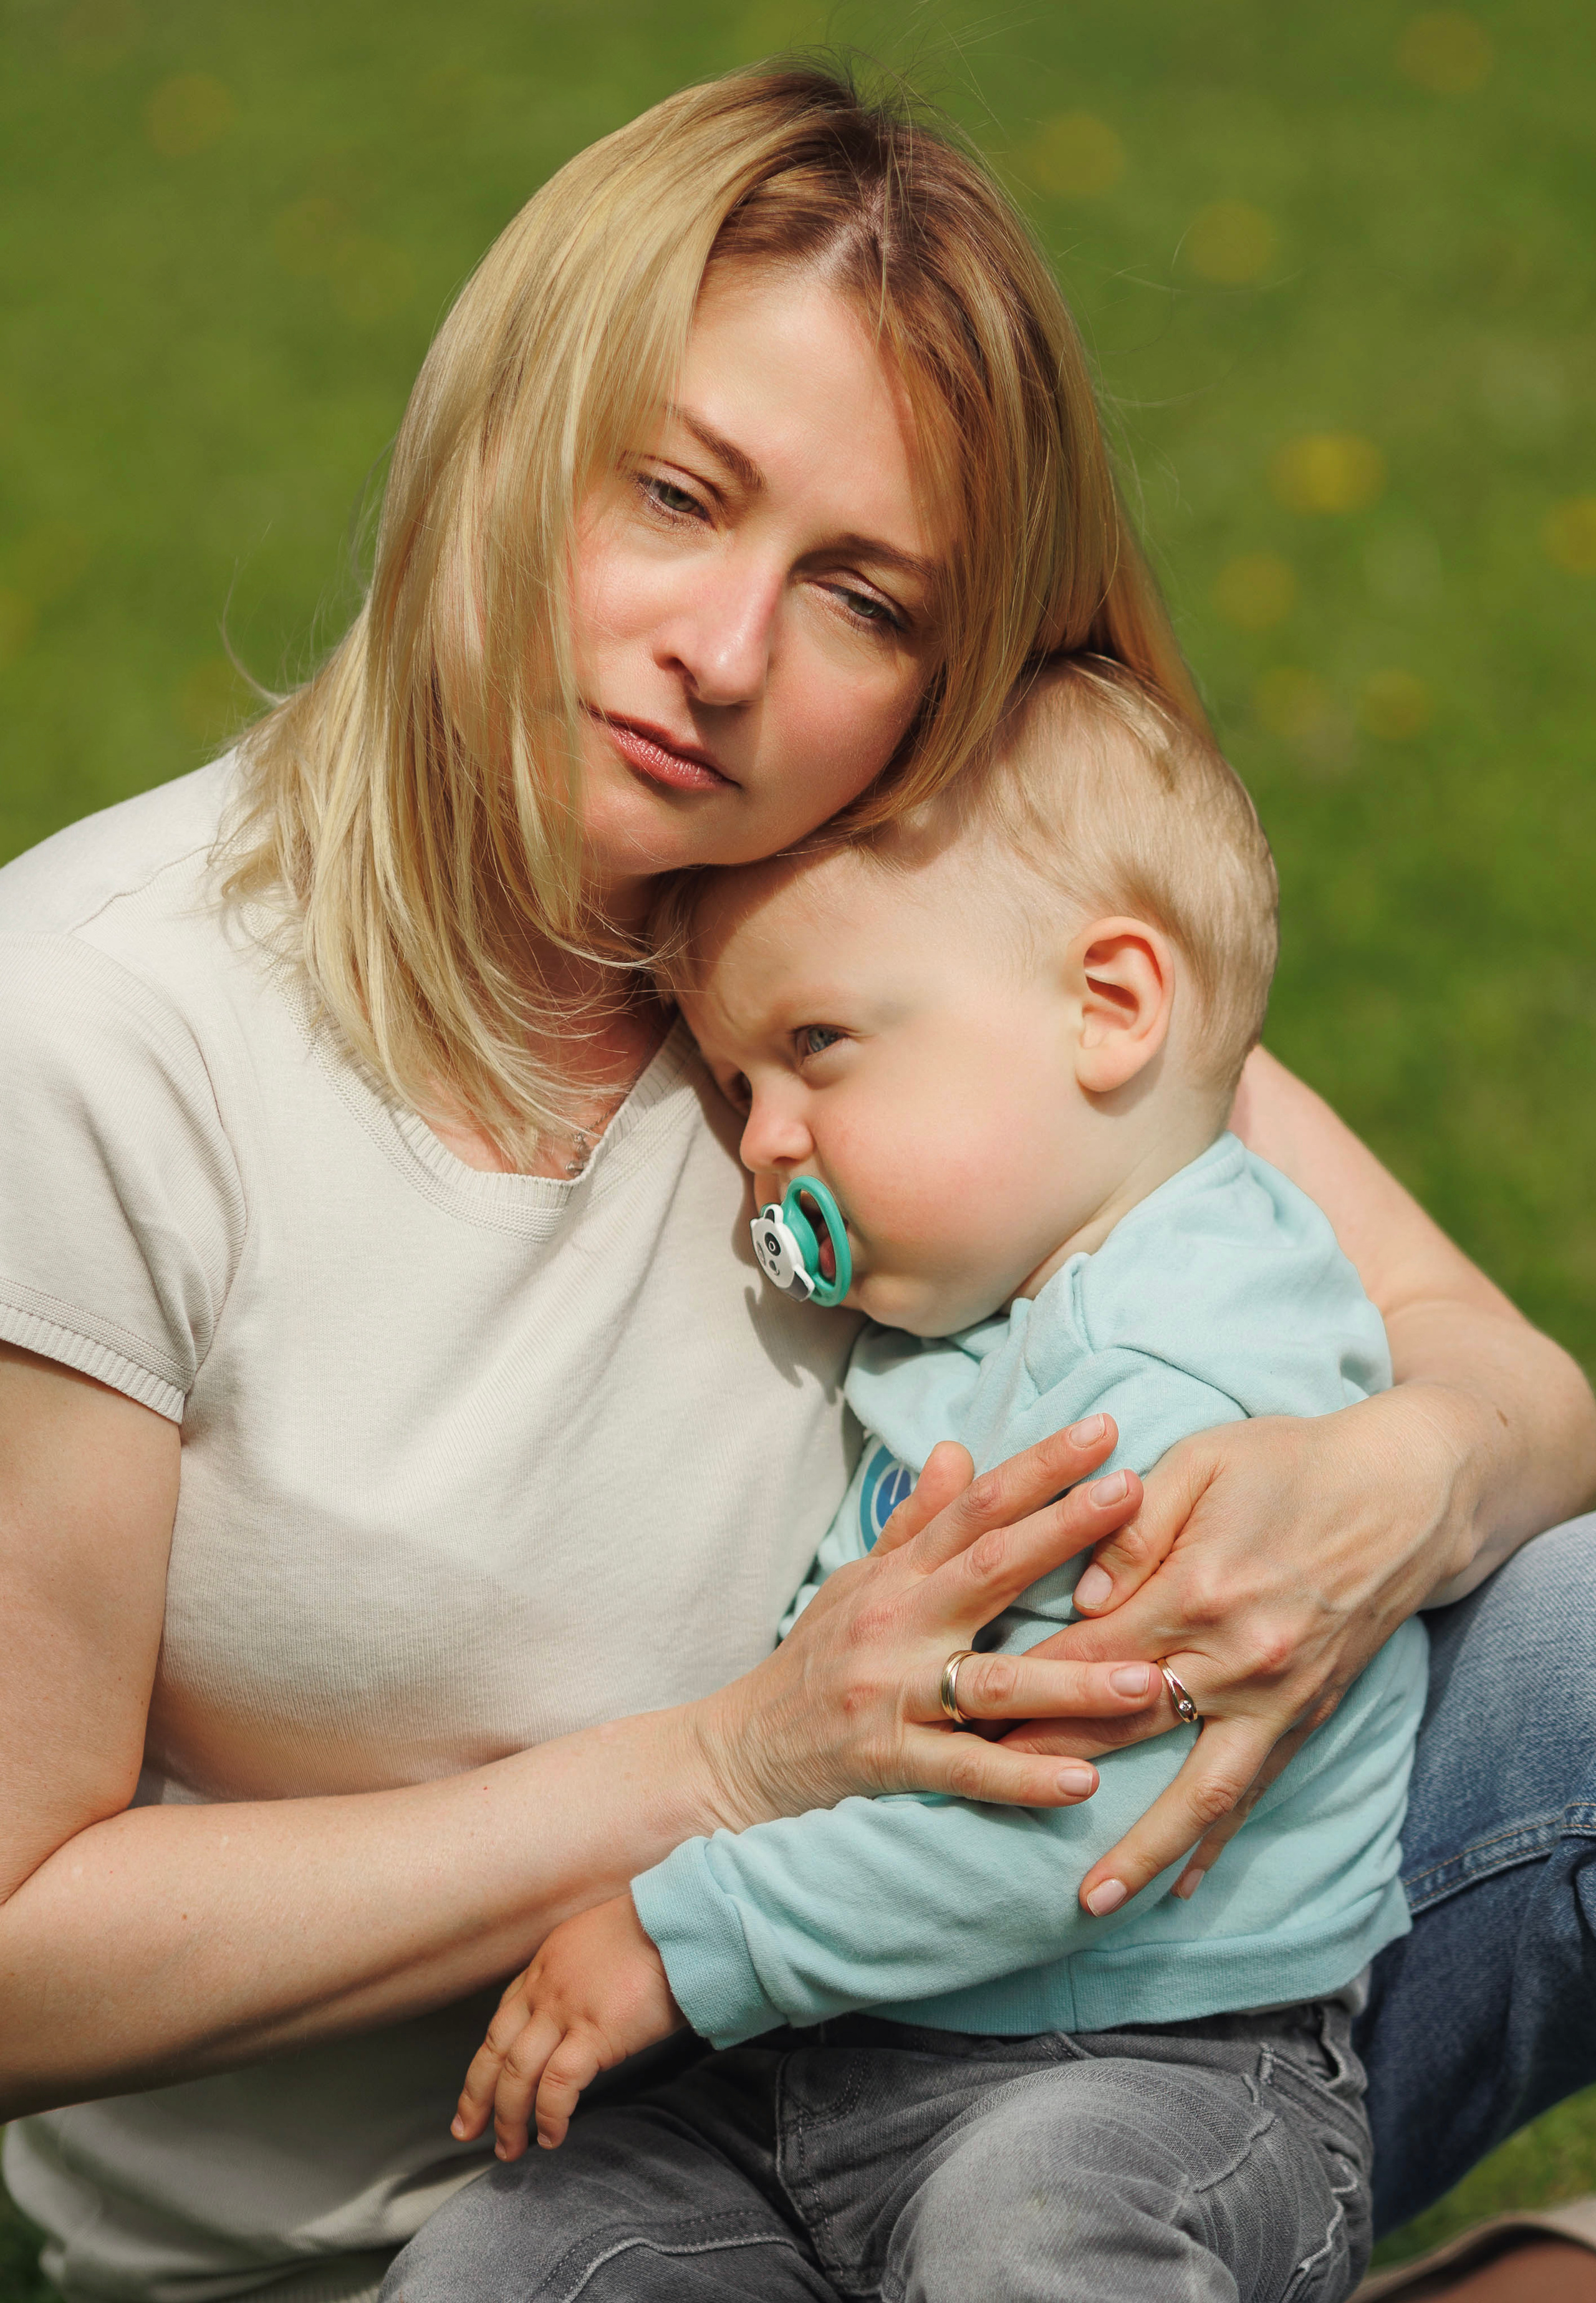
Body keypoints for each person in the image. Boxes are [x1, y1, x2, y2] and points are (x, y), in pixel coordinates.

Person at [0, 59, 1590, 2303]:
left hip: (1081, 2047)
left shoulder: (879, 944)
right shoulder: (91, 1039)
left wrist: (1394, 1484)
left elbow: (1513, 1393)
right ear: (505, 421)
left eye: (861, 597)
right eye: (674, 493)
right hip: (515, 2211)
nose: (727, 658)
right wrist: (729, 1771)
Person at [380, 659, 1422, 2302]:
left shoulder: (1181, 1385)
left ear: (1111, 1009)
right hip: (829, 2071)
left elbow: (1064, 1818)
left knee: (1026, 2241)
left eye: (817, 1048)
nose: (764, 1143)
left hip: (1147, 2067)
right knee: (505, 2260)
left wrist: (684, 1935)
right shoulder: (984, 1330)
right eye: (736, 1087)